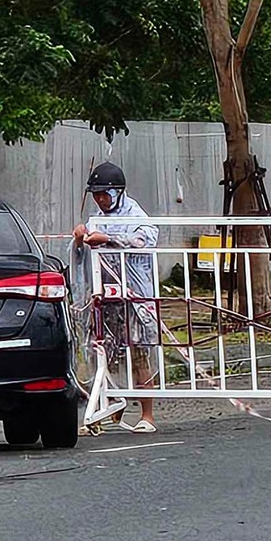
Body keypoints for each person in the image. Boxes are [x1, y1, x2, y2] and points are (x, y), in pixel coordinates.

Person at [75, 160, 161, 432]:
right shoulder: (97, 218)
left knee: (139, 353)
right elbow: (84, 251)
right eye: (97, 195)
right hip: (105, 295)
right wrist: (80, 238)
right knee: (102, 352)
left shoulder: (135, 215)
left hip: (135, 297)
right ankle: (104, 408)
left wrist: (109, 240)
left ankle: (147, 416)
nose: (101, 199)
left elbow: (145, 239)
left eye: (105, 194)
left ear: (118, 192)